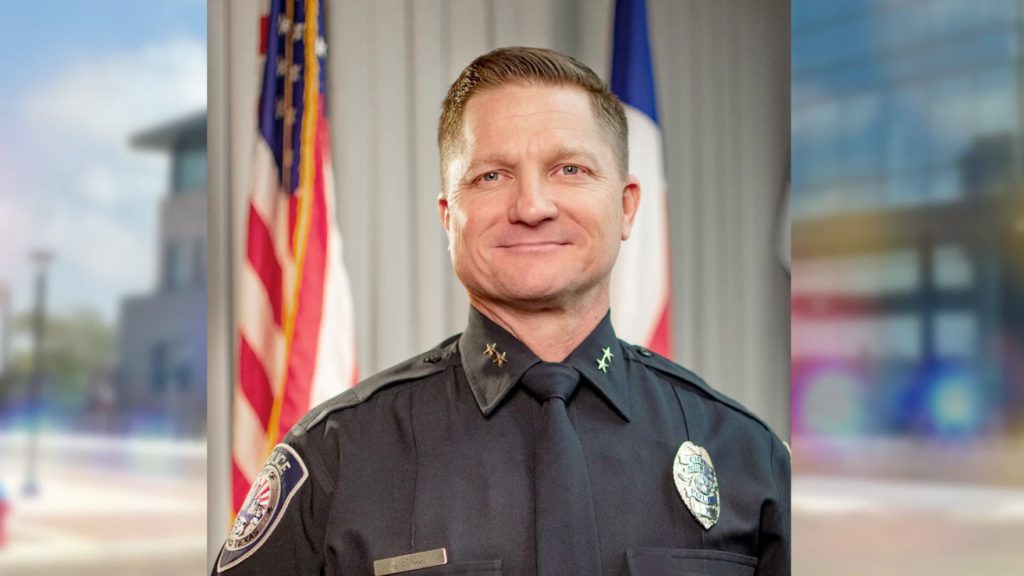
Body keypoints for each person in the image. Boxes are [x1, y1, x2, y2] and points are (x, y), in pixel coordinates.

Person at [215, 46, 789, 576]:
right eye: (491, 176)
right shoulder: (335, 458)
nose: (533, 206)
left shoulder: (747, 457)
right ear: (448, 217)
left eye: (571, 169)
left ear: (626, 206)